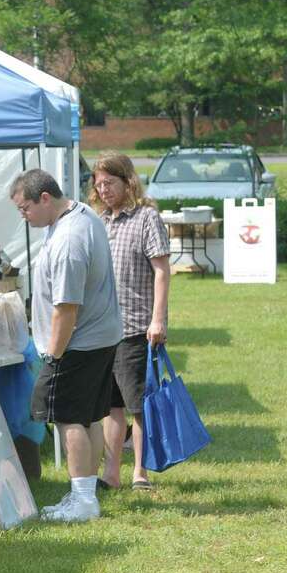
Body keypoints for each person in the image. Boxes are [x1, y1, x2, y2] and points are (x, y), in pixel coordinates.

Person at [10, 169, 122, 523]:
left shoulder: (69, 240)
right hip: (100, 337)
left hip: (76, 343)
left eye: (25, 208)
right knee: (88, 416)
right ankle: (83, 496)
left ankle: (83, 501)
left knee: (66, 417)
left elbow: (66, 309)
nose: (23, 217)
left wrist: (52, 356)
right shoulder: (82, 215)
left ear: (45, 198)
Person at [90, 153, 170, 491]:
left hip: (136, 327)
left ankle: (140, 471)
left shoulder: (146, 218)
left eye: (110, 183)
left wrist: (158, 320)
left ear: (128, 181)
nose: (104, 190)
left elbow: (162, 271)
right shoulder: (100, 221)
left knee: (139, 406)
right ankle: (111, 474)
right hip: (103, 330)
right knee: (111, 407)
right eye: (99, 185)